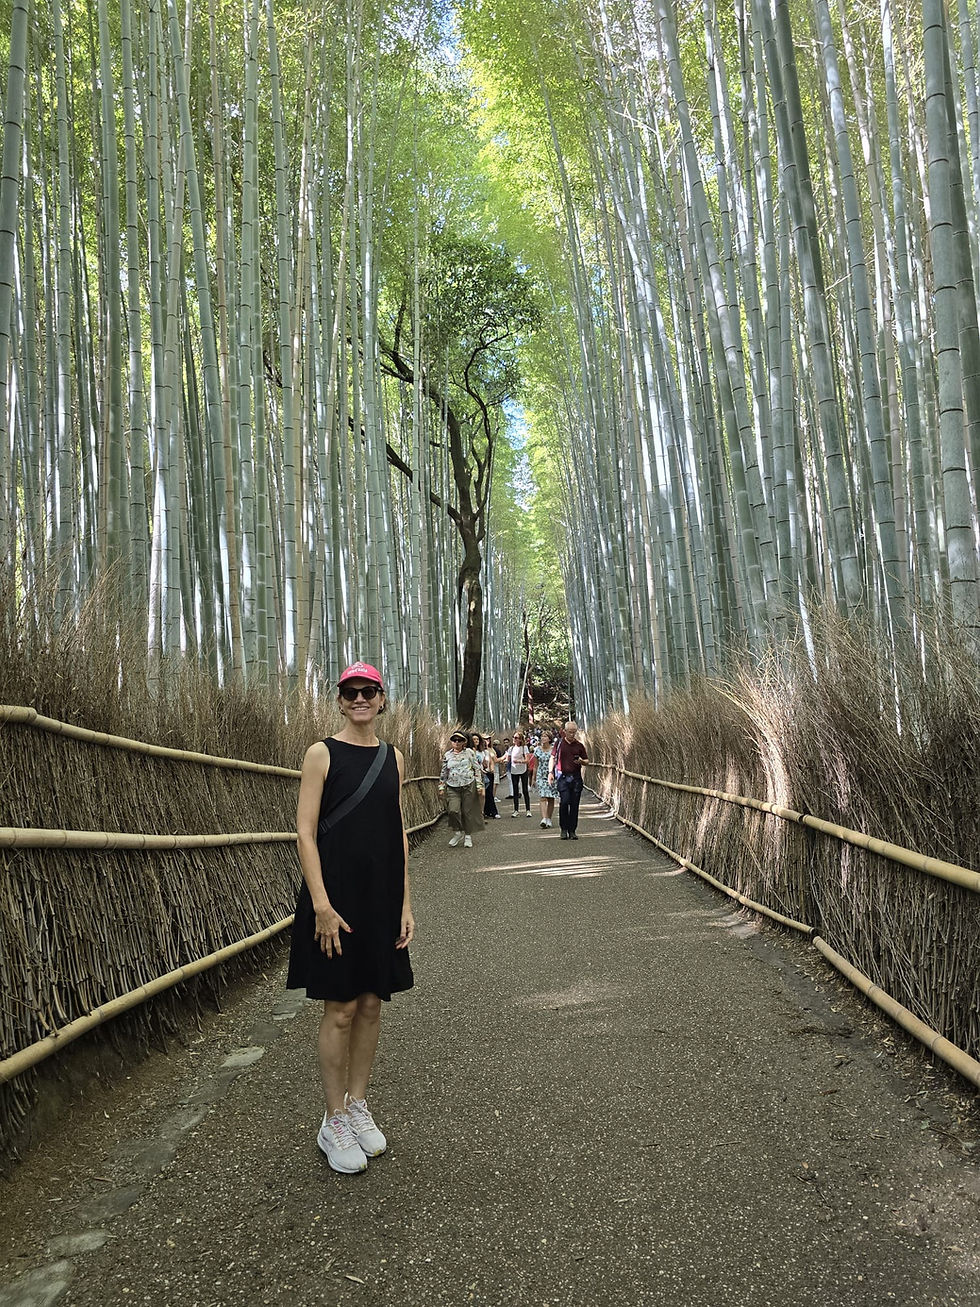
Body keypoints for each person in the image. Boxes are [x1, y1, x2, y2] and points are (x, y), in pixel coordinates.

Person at [288, 661, 414, 1175]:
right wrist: (320, 905)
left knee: (371, 1004)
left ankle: (358, 1104)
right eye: (350, 692)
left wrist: (405, 904)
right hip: (335, 897)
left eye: (368, 691)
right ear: (339, 700)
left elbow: (397, 832)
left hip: (380, 896)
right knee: (339, 1008)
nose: (359, 699)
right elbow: (305, 832)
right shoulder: (321, 753)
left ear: (382, 699)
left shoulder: (393, 757)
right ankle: (333, 1118)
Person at [439, 730, 483, 847]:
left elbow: (476, 769)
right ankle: (458, 832)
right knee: (453, 810)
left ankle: (468, 836)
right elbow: (444, 772)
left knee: (467, 811)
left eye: (459, 740)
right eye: (454, 740)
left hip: (468, 785)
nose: (457, 742)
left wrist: (479, 785)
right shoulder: (447, 755)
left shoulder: (469, 753)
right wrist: (441, 786)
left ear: (464, 742)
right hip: (452, 786)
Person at [550, 720, 588, 839]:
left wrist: (581, 761)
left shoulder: (579, 745)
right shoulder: (559, 744)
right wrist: (550, 772)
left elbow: (587, 760)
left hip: (576, 777)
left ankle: (572, 830)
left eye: (574, 732)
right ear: (564, 731)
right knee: (564, 802)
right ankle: (564, 828)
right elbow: (552, 758)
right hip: (563, 777)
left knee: (574, 805)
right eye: (570, 732)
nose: (572, 734)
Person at [533, 729, 558, 828]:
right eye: (542, 736)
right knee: (543, 797)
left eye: (545, 736)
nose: (543, 738)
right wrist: (533, 778)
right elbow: (535, 766)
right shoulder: (537, 750)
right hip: (541, 775)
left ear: (549, 739)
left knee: (550, 798)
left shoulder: (553, 750)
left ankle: (549, 819)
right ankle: (544, 818)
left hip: (551, 775)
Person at [505, 730, 533, 817]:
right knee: (515, 790)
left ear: (520, 739)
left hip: (523, 770)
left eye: (516, 737)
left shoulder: (524, 748)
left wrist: (519, 761)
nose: (514, 739)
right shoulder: (511, 748)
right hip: (514, 771)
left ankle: (528, 810)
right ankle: (516, 810)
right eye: (513, 737)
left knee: (525, 790)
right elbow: (507, 758)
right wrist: (502, 760)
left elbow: (527, 760)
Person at [479, 734, 502, 819]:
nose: (486, 741)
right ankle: (484, 812)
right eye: (484, 739)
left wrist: (491, 769)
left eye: (488, 739)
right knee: (482, 794)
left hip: (488, 774)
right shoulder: (475, 752)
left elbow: (492, 762)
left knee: (489, 793)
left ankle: (493, 812)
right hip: (479, 774)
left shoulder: (487, 751)